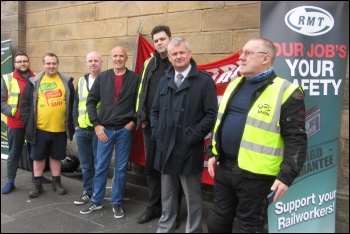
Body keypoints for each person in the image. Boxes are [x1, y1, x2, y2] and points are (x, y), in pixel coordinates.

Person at [206, 37, 307, 233]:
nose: (241, 57)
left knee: (249, 227)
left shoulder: (287, 91)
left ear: (266, 58)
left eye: (248, 53)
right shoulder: (235, 84)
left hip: (257, 176)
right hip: (226, 168)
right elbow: (220, 122)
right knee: (216, 223)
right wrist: (213, 152)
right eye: (242, 52)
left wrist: (286, 177)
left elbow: (297, 139)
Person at [150, 38, 218, 233]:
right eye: (174, 54)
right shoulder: (164, 80)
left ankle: (193, 229)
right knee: (168, 195)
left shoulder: (204, 81)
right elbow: (154, 111)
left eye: (182, 53)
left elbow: (211, 114)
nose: (178, 56)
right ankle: (166, 227)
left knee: (193, 196)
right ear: (169, 57)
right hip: (165, 147)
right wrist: (157, 132)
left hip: (189, 148)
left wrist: (192, 136)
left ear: (189, 54)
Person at [80, 46, 140, 219]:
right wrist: (96, 125)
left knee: (121, 169)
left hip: (124, 130)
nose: (118, 58)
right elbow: (91, 102)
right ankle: (97, 201)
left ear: (126, 58)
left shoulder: (135, 79)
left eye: (121, 56)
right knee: (101, 167)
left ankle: (117, 203)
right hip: (104, 130)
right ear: (111, 58)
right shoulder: (103, 77)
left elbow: (140, 103)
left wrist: (133, 122)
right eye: (115, 56)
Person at [135, 25, 184, 226]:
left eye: (162, 39)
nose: (159, 43)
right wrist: (141, 115)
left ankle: (173, 213)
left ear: (170, 39)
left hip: (173, 128)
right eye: (156, 40)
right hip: (151, 126)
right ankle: (154, 207)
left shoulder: (178, 62)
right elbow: (142, 90)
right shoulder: (149, 62)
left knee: (173, 170)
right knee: (152, 169)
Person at [20, 52, 75, 198]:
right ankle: (37, 184)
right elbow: (24, 104)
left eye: (54, 63)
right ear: (43, 64)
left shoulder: (66, 81)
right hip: (39, 128)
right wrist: (27, 122)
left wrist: (72, 123)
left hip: (60, 129)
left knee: (56, 157)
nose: (51, 66)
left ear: (57, 64)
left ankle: (56, 182)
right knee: (38, 157)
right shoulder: (34, 82)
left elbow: (73, 103)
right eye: (48, 63)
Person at [1, 52, 37, 194]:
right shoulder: (7, 78)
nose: (23, 64)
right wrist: (11, 112)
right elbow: (1, 100)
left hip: (33, 123)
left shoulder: (36, 78)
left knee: (34, 152)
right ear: (15, 64)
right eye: (19, 61)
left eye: (25, 61)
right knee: (14, 153)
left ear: (28, 62)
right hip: (15, 123)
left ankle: (37, 177)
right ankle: (10, 181)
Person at [73, 51, 103, 205]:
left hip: (98, 130)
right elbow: (76, 102)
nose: (93, 63)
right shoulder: (82, 80)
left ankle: (98, 193)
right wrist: (75, 124)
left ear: (101, 62)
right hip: (82, 129)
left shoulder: (105, 80)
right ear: (86, 63)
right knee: (85, 164)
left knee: (99, 163)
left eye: (96, 61)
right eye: (90, 61)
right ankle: (87, 191)